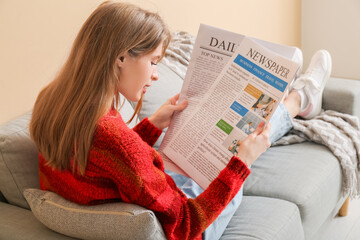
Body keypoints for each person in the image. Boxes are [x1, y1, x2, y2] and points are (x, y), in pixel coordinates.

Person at [29, 1, 332, 240]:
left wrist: (152, 125)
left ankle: (292, 96)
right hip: (185, 222)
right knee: (243, 141)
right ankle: (299, 99)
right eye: (153, 62)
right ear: (121, 57)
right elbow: (187, 224)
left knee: (219, 123)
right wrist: (242, 163)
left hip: (155, 199)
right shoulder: (114, 137)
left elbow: (101, 163)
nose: (156, 74)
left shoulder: (52, 103)